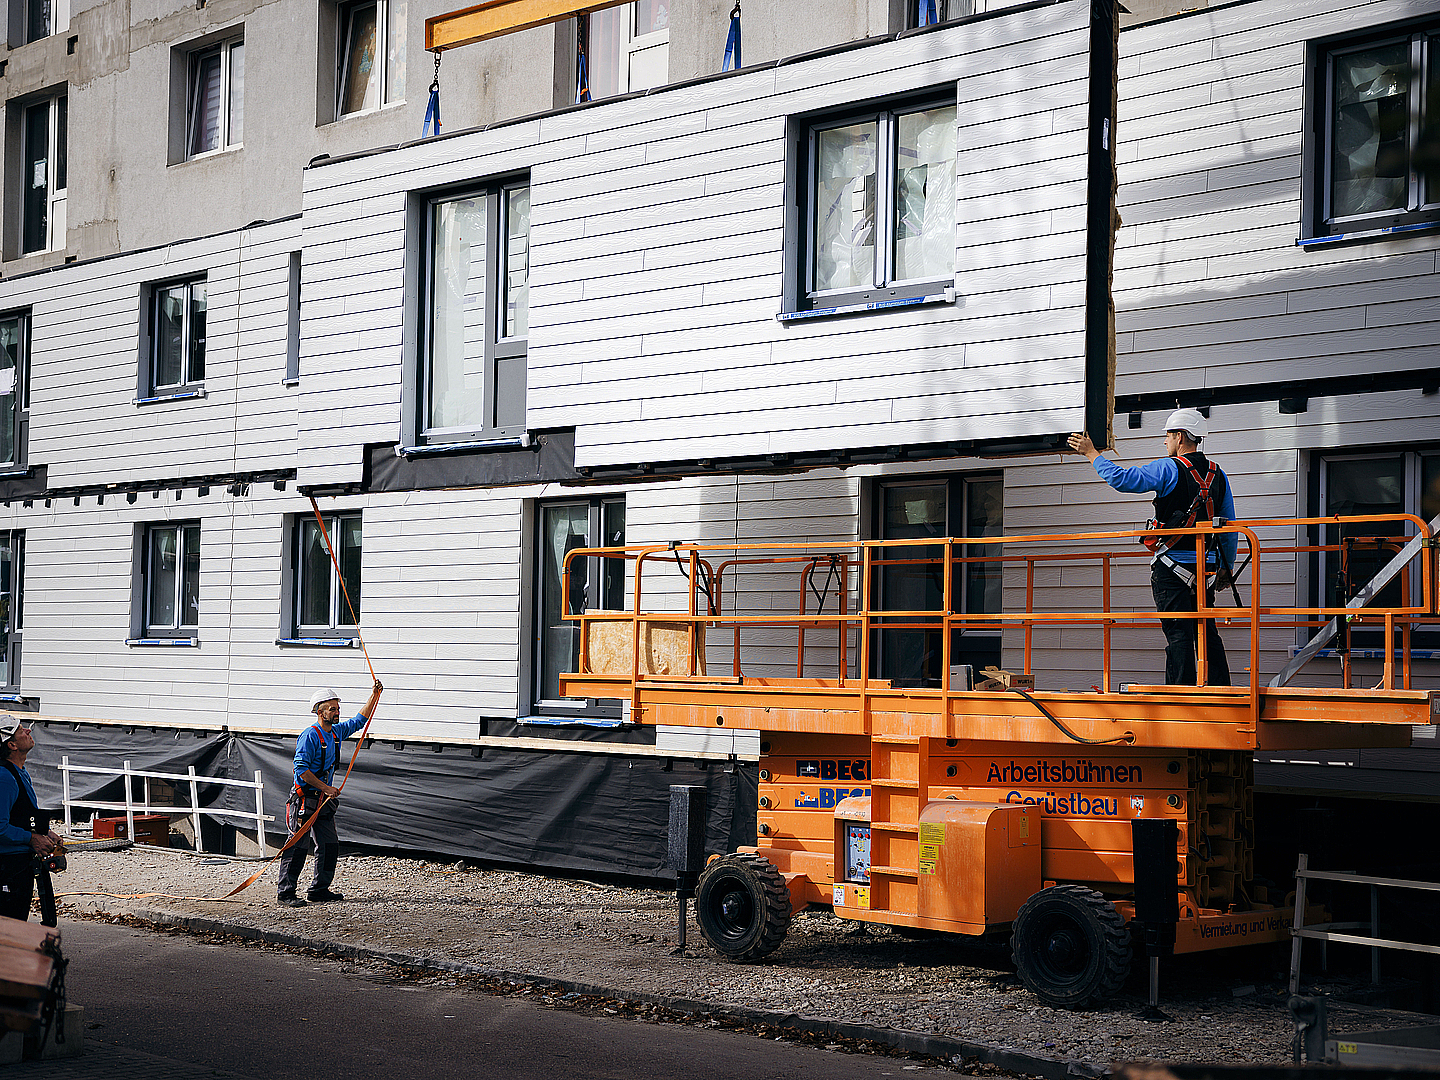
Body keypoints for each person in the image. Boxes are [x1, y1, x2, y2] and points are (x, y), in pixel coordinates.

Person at [1068, 408, 1237, 686]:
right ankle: (1221, 689)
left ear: (1180, 437)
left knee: (1178, 632)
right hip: (1206, 569)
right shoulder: (1218, 474)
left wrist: (1091, 453)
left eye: (1168, 435)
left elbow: (1123, 480)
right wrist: (1225, 568)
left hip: (1172, 568)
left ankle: (1179, 694)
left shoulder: (1169, 468)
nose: (1165, 441)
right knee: (1206, 631)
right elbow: (1228, 526)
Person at [277, 681, 382, 907]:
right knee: (297, 845)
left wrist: (374, 695)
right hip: (305, 799)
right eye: (332, 708)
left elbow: (359, 721)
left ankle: (319, 889)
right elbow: (301, 770)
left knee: (329, 844)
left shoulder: (336, 733)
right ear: (319, 711)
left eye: (337, 708)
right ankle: (285, 893)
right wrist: (326, 788)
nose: (337, 712)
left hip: (323, 802)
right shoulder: (310, 736)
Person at [0, 716, 63, 922]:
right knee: (9, 933)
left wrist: (45, 832)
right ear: (12, 744)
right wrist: (31, 838)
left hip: (19, 866)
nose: (28, 730)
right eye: (20, 730)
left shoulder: (20, 772)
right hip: (6, 867)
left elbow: (24, 814)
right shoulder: (4, 777)